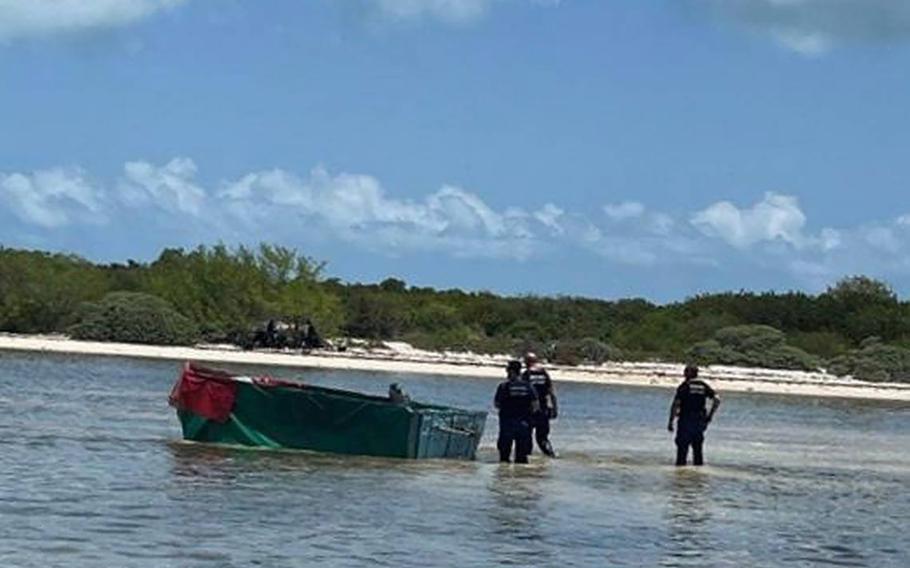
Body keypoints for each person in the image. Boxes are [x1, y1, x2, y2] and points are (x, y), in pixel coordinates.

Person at [667, 365, 720, 466]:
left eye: (686, 372)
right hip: (699, 420)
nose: (684, 374)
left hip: (686, 420)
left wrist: (671, 421)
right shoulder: (703, 385)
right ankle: (697, 476)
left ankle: (680, 475)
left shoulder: (685, 386)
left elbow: (676, 404)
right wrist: (710, 415)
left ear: (690, 373)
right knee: (697, 449)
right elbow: (717, 399)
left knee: (682, 450)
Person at [494, 360, 539, 463]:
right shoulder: (528, 387)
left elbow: (497, 404)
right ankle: (520, 478)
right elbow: (535, 406)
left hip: (507, 424)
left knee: (504, 458)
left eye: (508, 371)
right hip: (524, 424)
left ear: (512, 371)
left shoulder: (504, 387)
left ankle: (504, 477)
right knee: (522, 459)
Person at [522, 352, 558, 457]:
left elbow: (524, 393)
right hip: (543, 409)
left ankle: (526, 461)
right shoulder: (544, 374)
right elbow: (551, 393)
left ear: (528, 362)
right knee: (542, 438)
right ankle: (551, 457)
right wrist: (555, 409)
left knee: (526, 436)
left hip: (529, 410)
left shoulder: (526, 374)